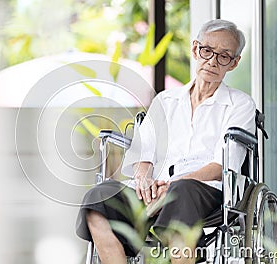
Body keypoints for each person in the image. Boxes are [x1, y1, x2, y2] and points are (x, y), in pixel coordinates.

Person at [76, 19, 256, 264]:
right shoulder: (165, 101)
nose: (212, 61)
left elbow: (222, 166)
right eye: (207, 51)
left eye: (224, 56)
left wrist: (171, 185)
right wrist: (143, 180)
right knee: (98, 198)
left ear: (234, 63)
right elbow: (143, 154)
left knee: (181, 192)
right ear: (195, 50)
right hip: (156, 189)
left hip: (204, 190)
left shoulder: (240, 104)